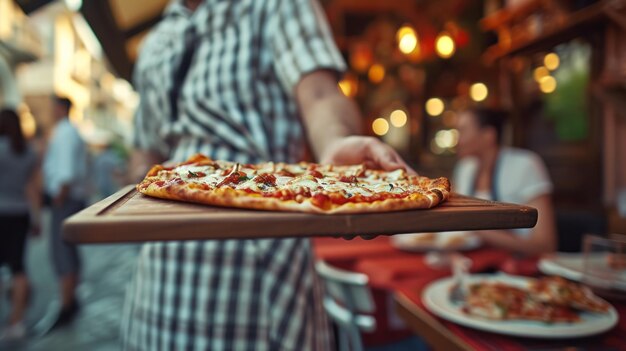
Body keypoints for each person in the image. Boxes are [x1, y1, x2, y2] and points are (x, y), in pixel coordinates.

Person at [122, 0, 413, 350]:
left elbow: (319, 94)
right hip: (162, 271)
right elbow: (146, 149)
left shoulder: (275, 4)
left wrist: (335, 145)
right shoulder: (155, 42)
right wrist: (141, 188)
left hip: (255, 256)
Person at [453, 107, 557, 255]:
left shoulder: (525, 165)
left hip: (518, 264)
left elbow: (545, 245)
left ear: (488, 135)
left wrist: (474, 229)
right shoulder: (465, 168)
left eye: (462, 131)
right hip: (473, 261)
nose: (457, 140)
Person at [42, 96, 87, 328]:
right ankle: (70, 301)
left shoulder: (65, 132)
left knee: (61, 252)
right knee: (67, 250)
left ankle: (67, 304)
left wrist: (59, 197)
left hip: (65, 198)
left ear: (60, 108)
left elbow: (66, 171)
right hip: (69, 197)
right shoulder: (69, 131)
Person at [0, 109, 40, 340]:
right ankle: (17, 322)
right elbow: (33, 188)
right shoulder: (28, 152)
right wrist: (36, 219)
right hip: (20, 214)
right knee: (19, 267)